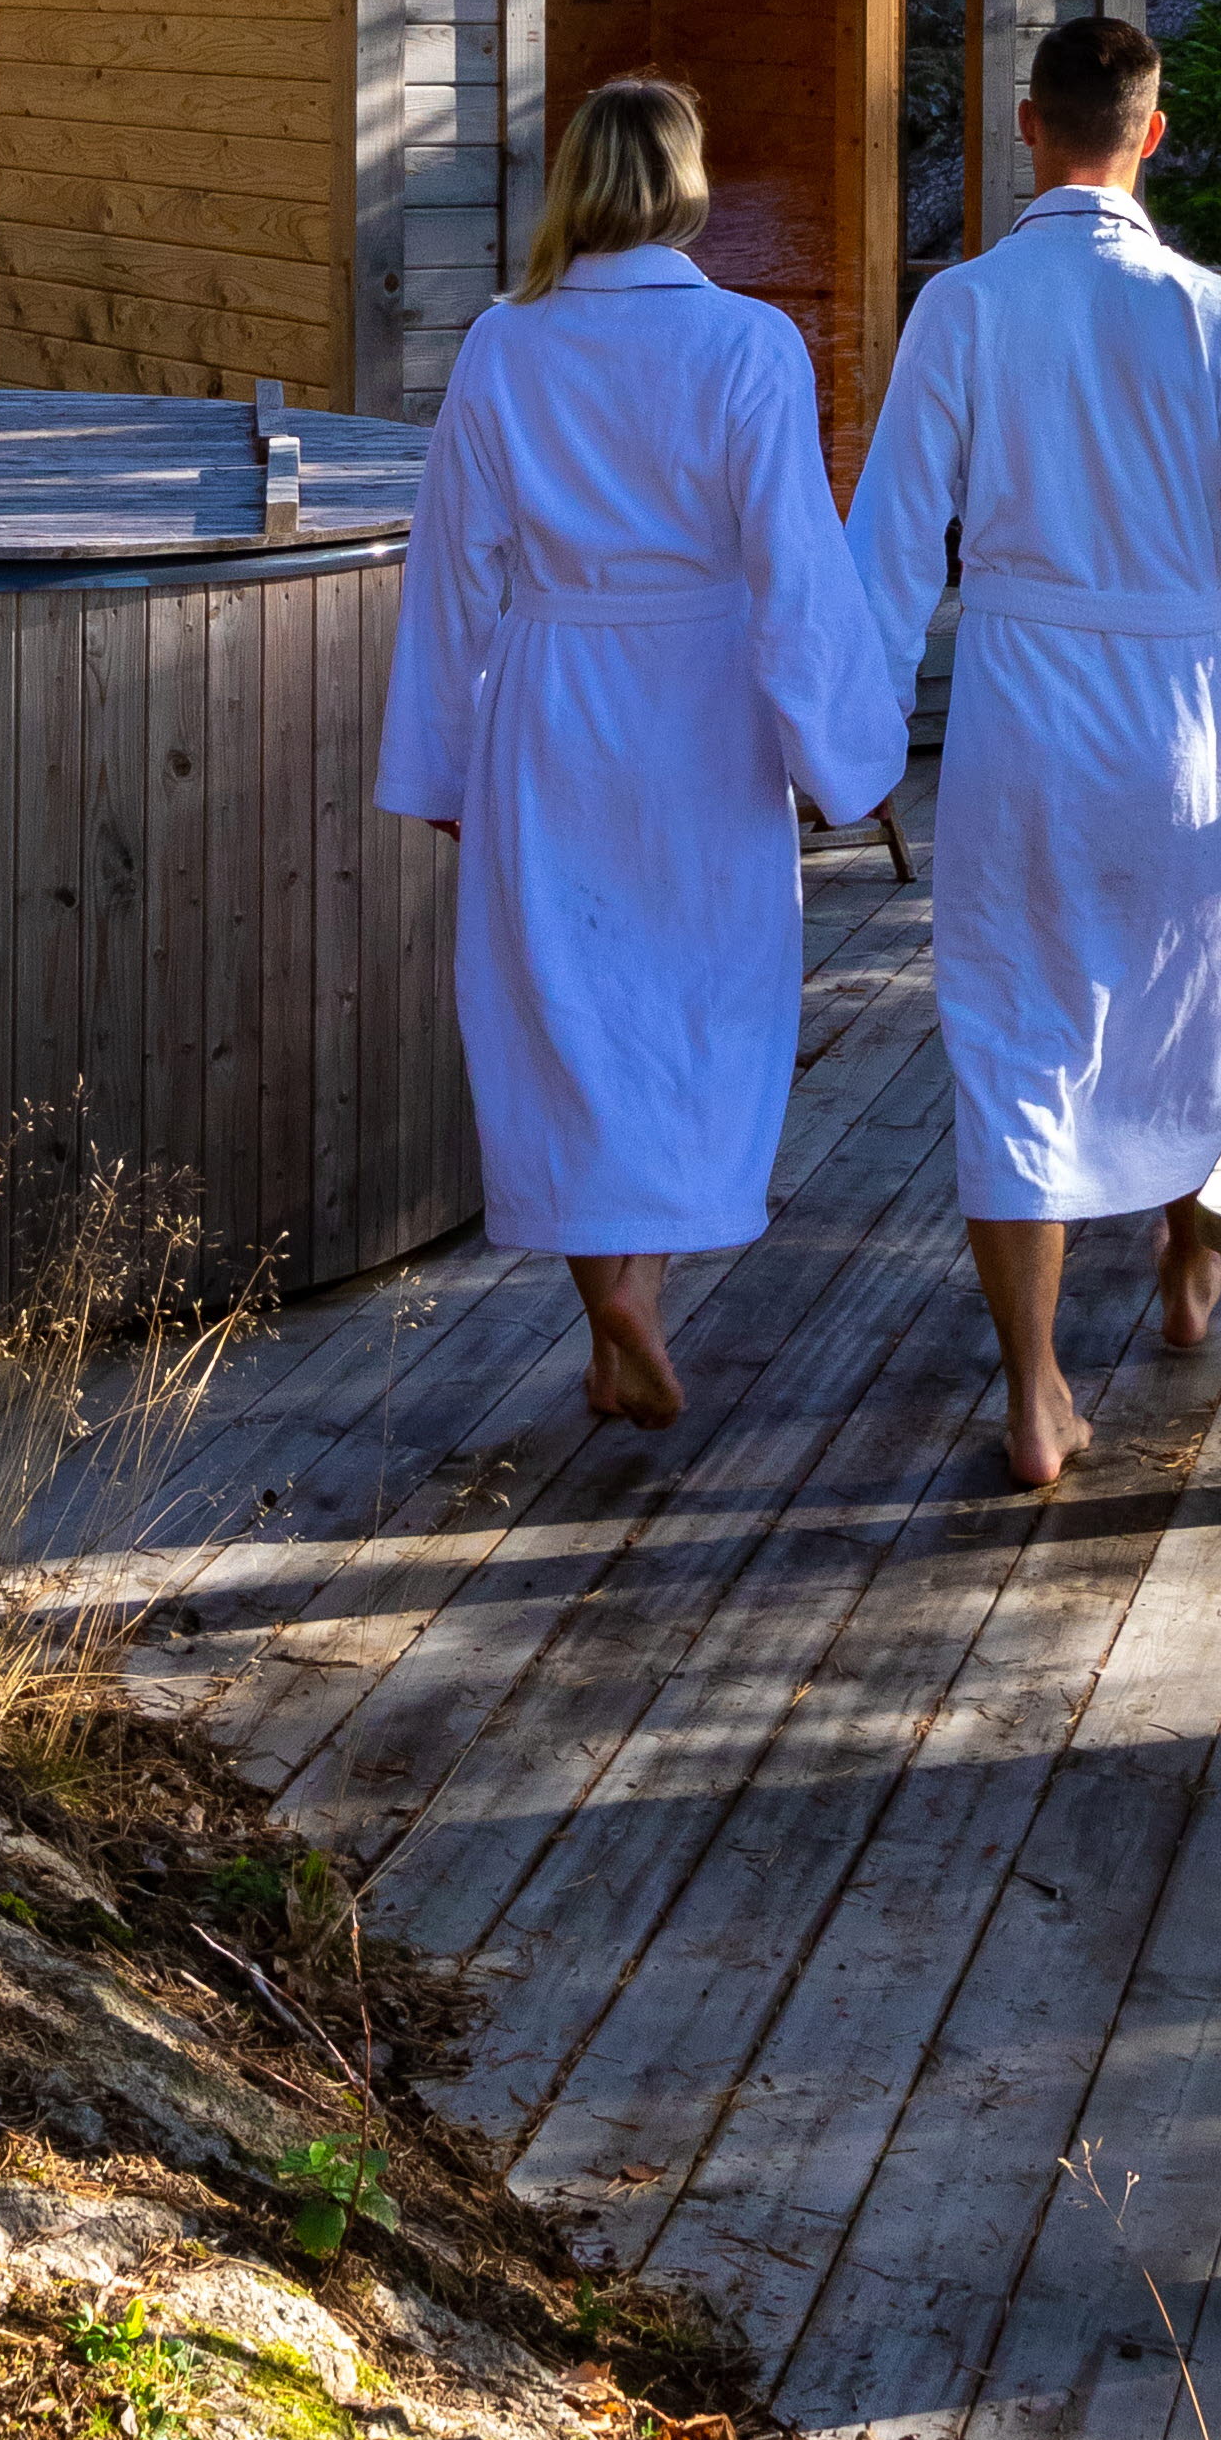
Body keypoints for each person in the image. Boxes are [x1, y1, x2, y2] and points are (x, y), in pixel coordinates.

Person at [848, 15, 1221, 1487]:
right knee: (1177, 997)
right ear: (1152, 132)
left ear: (1028, 128)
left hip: (1020, 700)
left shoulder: (964, 305)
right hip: (1176, 711)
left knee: (1014, 1030)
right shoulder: (1216, 317)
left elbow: (891, 542)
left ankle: (1035, 1392)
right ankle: (1188, 1258)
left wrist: (854, 734)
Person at [375, 77, 905, 1429]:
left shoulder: (506, 344)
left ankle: (615, 1314)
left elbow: (452, 571)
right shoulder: (750, 344)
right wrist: (841, 751)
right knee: (692, 998)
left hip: (548, 697)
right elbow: (794, 564)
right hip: (701, 710)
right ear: (685, 182)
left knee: (564, 998)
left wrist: (438, 762)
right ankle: (638, 1307)